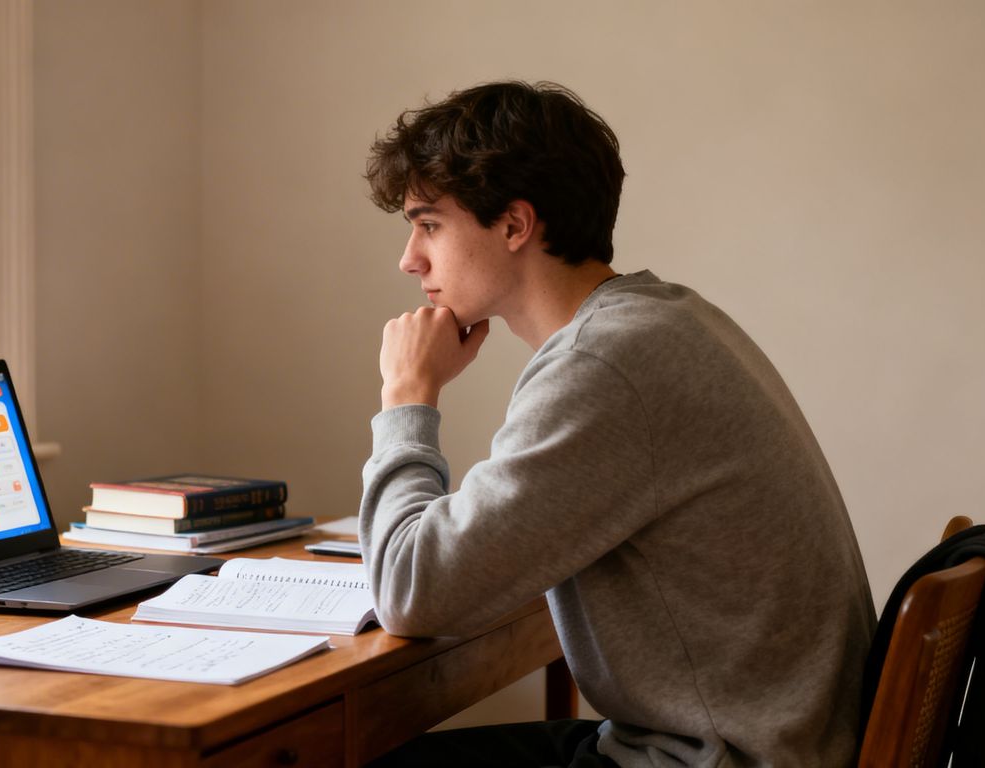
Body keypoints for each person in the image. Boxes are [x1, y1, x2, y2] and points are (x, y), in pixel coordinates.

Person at [358, 80, 876, 767]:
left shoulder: (604, 363)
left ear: (515, 225)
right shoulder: (664, 319)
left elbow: (409, 591)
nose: (409, 259)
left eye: (428, 224)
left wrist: (407, 395)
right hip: (763, 741)